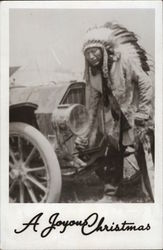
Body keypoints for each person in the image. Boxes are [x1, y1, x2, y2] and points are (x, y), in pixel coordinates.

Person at [75, 22, 154, 200]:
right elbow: (93, 107)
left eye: (94, 51)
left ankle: (152, 194)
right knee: (113, 153)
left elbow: (145, 83)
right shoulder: (93, 74)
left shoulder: (124, 60)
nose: (92, 56)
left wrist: (143, 112)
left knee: (146, 154)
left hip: (138, 113)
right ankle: (111, 195)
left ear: (103, 50)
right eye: (87, 53)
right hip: (118, 118)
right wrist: (84, 134)